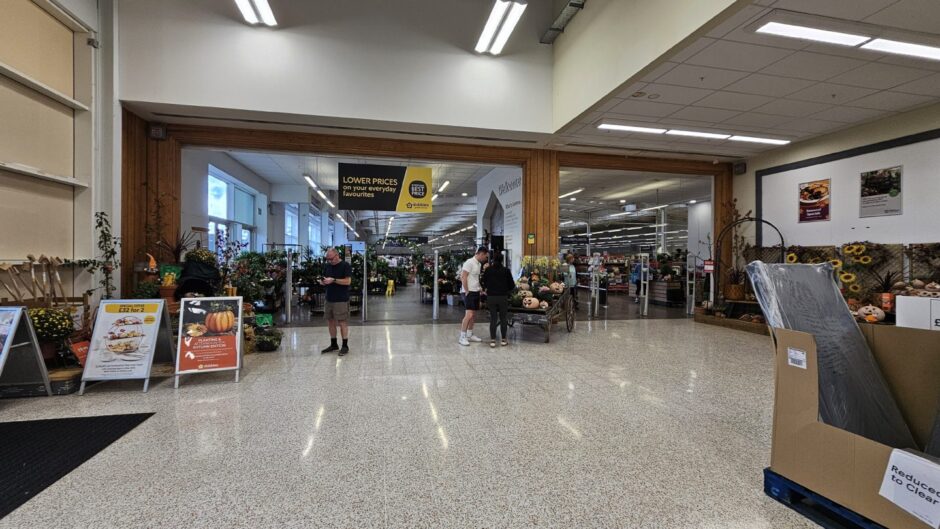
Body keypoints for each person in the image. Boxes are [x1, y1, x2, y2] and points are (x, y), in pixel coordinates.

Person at [319, 248, 352, 356]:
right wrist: (323, 282)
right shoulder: (328, 266)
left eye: (331, 259)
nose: (329, 261)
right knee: (330, 321)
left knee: (342, 322)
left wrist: (333, 280)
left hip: (341, 299)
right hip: (329, 298)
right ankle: (334, 344)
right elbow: (326, 279)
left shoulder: (345, 265)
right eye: (327, 259)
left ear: (337, 256)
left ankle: (345, 345)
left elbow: (348, 281)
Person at [481, 253, 514, 348]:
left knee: (493, 318)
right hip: (503, 297)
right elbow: (511, 285)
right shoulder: (506, 271)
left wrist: (487, 288)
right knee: (503, 318)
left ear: (493, 259)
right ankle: (503, 340)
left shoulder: (488, 270)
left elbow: (483, 282)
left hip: (491, 297)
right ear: (502, 260)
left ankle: (492, 341)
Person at [458, 246, 489, 346]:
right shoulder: (469, 262)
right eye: (485, 256)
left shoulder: (479, 264)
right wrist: (466, 291)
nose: (486, 258)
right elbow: (463, 277)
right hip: (469, 292)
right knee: (469, 315)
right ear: (480, 254)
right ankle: (462, 337)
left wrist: (480, 288)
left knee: (473, 315)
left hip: (475, 291)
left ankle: (469, 334)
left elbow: (475, 278)